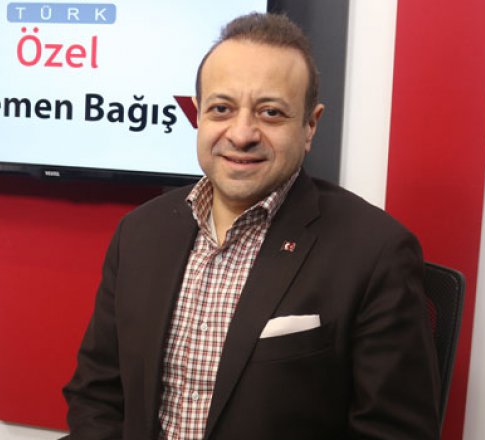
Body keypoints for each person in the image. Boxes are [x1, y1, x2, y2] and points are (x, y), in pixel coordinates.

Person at [62, 12, 440, 440]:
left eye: (271, 113)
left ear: (310, 125)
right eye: (221, 109)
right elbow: (97, 397)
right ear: (198, 115)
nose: (242, 134)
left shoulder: (375, 253)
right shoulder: (139, 234)